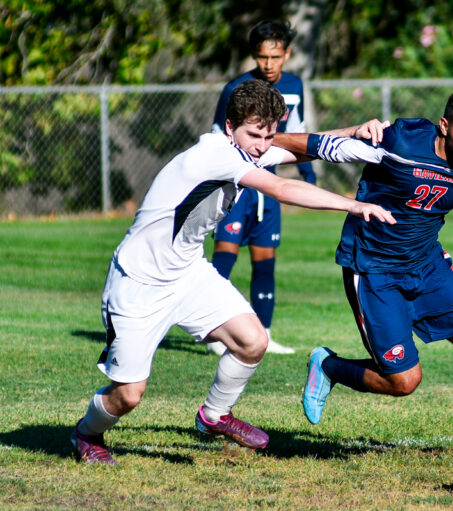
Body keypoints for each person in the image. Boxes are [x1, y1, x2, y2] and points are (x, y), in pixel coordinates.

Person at [70, 79, 395, 465]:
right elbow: (281, 189)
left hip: (188, 273)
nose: (262, 144)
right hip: (139, 282)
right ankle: (86, 434)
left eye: (268, 135)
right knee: (128, 395)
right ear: (229, 127)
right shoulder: (215, 155)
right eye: (254, 135)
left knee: (252, 340)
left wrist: (353, 132)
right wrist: (353, 206)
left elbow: (299, 146)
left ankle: (213, 416)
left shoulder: (247, 148)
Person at [274, 88, 453, 462]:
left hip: (428, 267)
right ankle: (328, 366)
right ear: (445, 127)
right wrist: (263, 140)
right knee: (404, 381)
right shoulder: (399, 142)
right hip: (374, 269)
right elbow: (321, 146)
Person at [208, 20, 314, 356]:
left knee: (265, 262)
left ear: (287, 54)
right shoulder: (237, 87)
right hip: (238, 186)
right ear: (254, 55)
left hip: (268, 187)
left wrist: (307, 169)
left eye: (275, 56)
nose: (268, 64)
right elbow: (217, 131)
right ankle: (212, 334)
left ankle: (264, 335)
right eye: (262, 57)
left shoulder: (295, 85)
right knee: (223, 260)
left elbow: (297, 130)